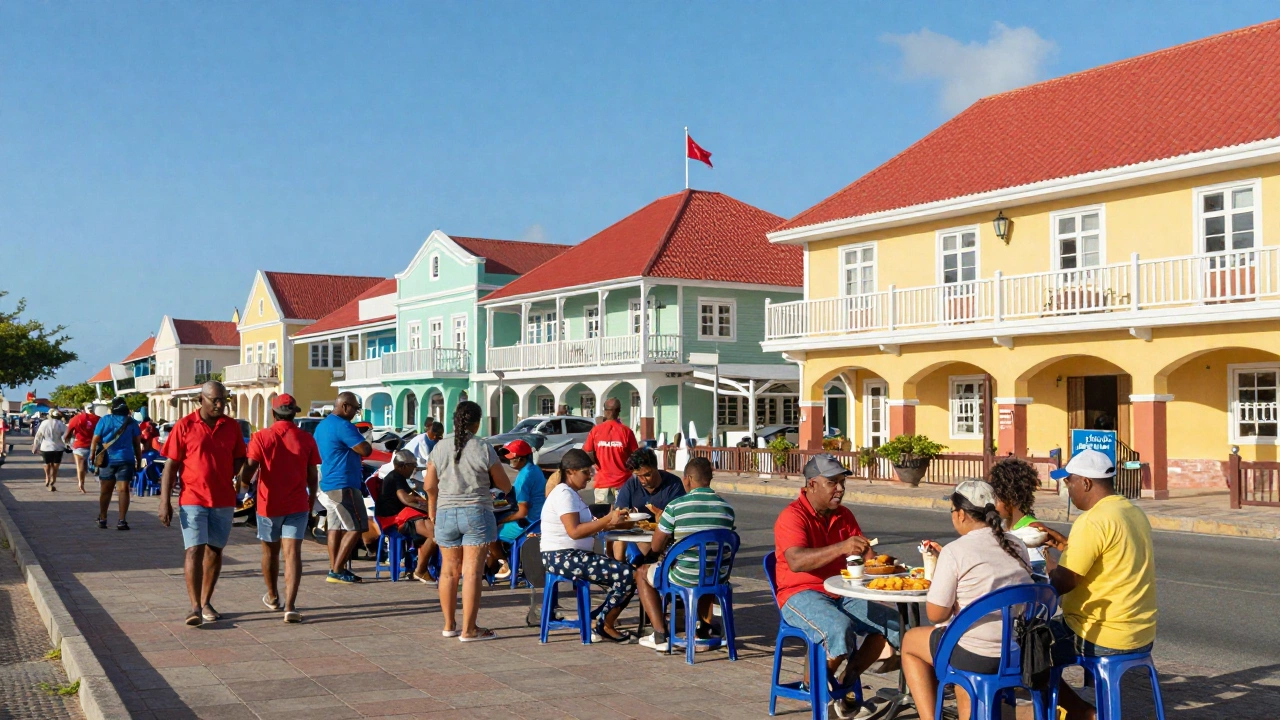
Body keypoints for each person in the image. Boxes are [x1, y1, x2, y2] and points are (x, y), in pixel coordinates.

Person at [773, 453, 900, 720]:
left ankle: (848, 679)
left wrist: (887, 566)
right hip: (800, 594)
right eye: (833, 482)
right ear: (811, 485)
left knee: (893, 624)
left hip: (841, 592)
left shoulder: (843, 515)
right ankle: (820, 689)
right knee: (839, 627)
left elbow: (866, 557)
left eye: (842, 482)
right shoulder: (792, 517)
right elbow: (796, 561)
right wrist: (841, 547)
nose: (840, 489)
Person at [1034, 449, 1158, 720]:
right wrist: (1064, 546)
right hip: (1141, 631)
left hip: (1103, 634)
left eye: (1069, 481)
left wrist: (1048, 562)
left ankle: (1081, 711)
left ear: (1086, 483)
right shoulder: (1132, 511)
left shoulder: (1092, 520)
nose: (1067, 488)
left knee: (1029, 647)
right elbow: (1108, 558)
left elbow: (1064, 583)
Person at [901, 481, 1033, 720]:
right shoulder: (1017, 545)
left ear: (961, 514)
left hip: (976, 655)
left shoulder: (955, 551)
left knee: (910, 642)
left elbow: (935, 614)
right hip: (1015, 651)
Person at [159, 381, 247, 626]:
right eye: (215, 400)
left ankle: (206, 600)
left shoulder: (231, 427)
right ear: (202, 399)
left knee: (215, 550)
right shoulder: (185, 426)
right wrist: (164, 502)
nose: (220, 405)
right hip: (192, 498)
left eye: (224, 400)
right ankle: (195, 607)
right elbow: (170, 466)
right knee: (194, 549)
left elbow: (240, 458)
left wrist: (243, 477)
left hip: (223, 499)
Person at [422, 400, 510, 641]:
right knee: (472, 573)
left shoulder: (439, 447)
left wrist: (432, 510)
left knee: (448, 572)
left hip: (446, 513)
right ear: (477, 422)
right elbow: (505, 484)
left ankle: (449, 625)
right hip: (476, 512)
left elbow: (429, 485)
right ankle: (469, 629)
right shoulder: (483, 447)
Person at [636, 456, 736, 652]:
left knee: (641, 572)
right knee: (706, 568)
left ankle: (659, 634)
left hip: (684, 576)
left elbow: (655, 546)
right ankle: (702, 631)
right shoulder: (727, 509)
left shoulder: (675, 507)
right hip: (718, 577)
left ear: (688, 479)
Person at [235, 394, 319, 623]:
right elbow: (313, 475)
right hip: (298, 504)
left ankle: (273, 597)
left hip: (268, 504)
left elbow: (250, 468)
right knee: (293, 554)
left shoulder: (261, 437)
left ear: (273, 413)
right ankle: (290, 606)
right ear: (294, 413)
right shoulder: (306, 438)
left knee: (270, 552)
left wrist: (241, 492)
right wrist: (312, 500)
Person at [539, 448, 636, 642]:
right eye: (586, 472)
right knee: (627, 575)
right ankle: (604, 624)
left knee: (626, 572)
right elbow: (574, 531)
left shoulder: (572, 494)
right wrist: (608, 519)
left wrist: (614, 521)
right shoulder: (564, 494)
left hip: (571, 555)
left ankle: (597, 619)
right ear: (570, 472)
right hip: (562, 557)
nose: (590, 476)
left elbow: (590, 525)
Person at [314, 392, 373, 584]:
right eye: (356, 408)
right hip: (343, 484)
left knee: (335, 528)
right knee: (357, 526)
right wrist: (365, 441)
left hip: (328, 483)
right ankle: (337, 570)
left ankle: (335, 567)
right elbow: (364, 449)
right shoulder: (344, 426)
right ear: (345, 406)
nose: (356, 413)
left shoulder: (322, 426)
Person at [610, 447, 685, 561]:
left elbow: (681, 518)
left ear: (656, 468)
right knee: (619, 541)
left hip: (665, 537)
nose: (643, 480)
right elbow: (619, 512)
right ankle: (621, 572)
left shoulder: (673, 484)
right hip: (637, 536)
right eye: (638, 475)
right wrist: (622, 515)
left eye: (647, 475)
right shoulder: (631, 484)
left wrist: (663, 517)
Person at [375, 450, 437, 583]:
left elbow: (413, 496)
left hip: (400, 516)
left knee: (437, 531)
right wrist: (428, 507)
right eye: (412, 467)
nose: (414, 470)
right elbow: (406, 499)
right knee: (437, 533)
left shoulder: (398, 477)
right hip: (394, 520)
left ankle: (423, 567)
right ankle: (421, 569)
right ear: (403, 466)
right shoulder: (395, 477)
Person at [491, 439, 545, 581]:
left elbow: (522, 512)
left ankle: (504, 564)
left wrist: (500, 521)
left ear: (521, 459)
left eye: (512, 458)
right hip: (538, 520)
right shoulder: (534, 469)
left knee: (488, 533)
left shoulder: (524, 478)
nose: (509, 461)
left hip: (529, 524)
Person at [987, 457, 1048, 575]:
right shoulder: (1003, 525)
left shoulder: (1032, 532)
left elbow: (1036, 574)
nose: (992, 503)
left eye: (996, 498)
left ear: (1011, 499)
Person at [89, 396, 142, 531]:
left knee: (105, 491)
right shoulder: (132, 422)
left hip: (107, 459)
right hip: (126, 459)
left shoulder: (105, 420)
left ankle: (103, 518)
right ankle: (122, 520)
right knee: (123, 490)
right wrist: (139, 461)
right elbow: (137, 444)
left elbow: (95, 439)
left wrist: (92, 454)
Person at [583, 397, 638, 504]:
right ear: (618, 412)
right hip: (623, 483)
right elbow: (635, 456)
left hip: (602, 482)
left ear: (605, 411)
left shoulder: (595, 431)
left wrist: (597, 464)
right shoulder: (626, 432)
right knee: (624, 517)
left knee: (602, 517)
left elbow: (587, 452)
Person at [63, 404, 99, 493]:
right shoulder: (99, 419)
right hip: (95, 445)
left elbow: (68, 433)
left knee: (80, 466)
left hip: (80, 444)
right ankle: (99, 480)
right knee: (96, 464)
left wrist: (67, 442)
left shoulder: (77, 418)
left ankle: (81, 482)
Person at [32, 408, 68, 491]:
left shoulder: (44, 423)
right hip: (58, 447)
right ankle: (53, 479)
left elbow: (38, 436)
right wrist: (67, 444)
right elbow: (66, 435)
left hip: (46, 447)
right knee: (56, 465)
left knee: (47, 463)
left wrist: (35, 446)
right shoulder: (61, 424)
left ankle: (47, 477)